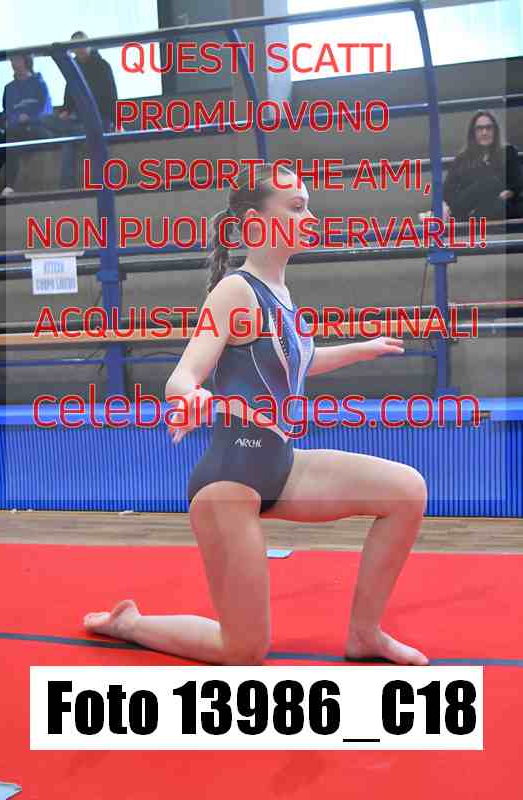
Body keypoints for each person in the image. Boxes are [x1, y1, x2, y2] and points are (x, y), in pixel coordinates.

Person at [83, 163, 430, 667]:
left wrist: (363, 348)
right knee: (243, 651)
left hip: (281, 466)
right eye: (296, 207)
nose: (311, 216)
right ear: (255, 223)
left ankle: (365, 633)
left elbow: (298, 361)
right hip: (230, 481)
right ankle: (130, 622)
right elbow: (181, 377)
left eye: (309, 206)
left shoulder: (280, 295)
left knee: (406, 490)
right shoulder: (234, 292)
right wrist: (192, 397)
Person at [41, 31, 117, 188]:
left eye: (82, 44)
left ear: (89, 45)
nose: (80, 49)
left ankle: (66, 186)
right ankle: (74, 131)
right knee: (44, 120)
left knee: (69, 138)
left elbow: (112, 97)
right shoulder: (72, 68)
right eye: (75, 46)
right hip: (76, 119)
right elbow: (68, 99)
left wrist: (116, 123)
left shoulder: (102, 66)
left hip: (99, 118)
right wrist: (65, 112)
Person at [442, 110, 523, 221]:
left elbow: (517, 184)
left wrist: (503, 195)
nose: (484, 132)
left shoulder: (508, 152)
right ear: (473, 133)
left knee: (494, 193)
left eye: (489, 128)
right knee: (485, 185)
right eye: (479, 128)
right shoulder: (462, 159)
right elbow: (447, 191)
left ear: (495, 131)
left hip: (500, 208)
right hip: (470, 209)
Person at [0, 54, 52, 194]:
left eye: (17, 59)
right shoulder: (9, 88)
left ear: (26, 61)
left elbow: (45, 112)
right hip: (15, 131)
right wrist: (16, 119)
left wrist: (29, 118)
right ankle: (9, 187)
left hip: (36, 130)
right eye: (11, 60)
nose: (13, 63)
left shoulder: (40, 84)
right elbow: (6, 113)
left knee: (8, 137)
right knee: (10, 138)